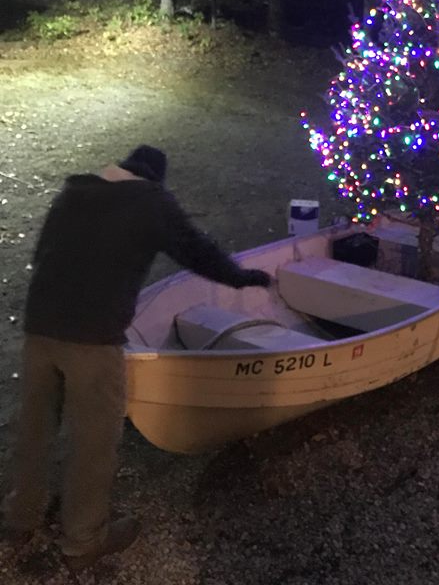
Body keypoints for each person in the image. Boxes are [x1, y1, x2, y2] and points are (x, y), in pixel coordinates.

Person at [1, 145, 271, 571]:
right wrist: (242, 277)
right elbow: (196, 250)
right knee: (94, 441)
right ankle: (83, 540)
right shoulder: (152, 202)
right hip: (93, 338)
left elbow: (40, 256)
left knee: (35, 428)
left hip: (40, 329)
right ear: (154, 179)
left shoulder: (74, 192)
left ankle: (21, 516)